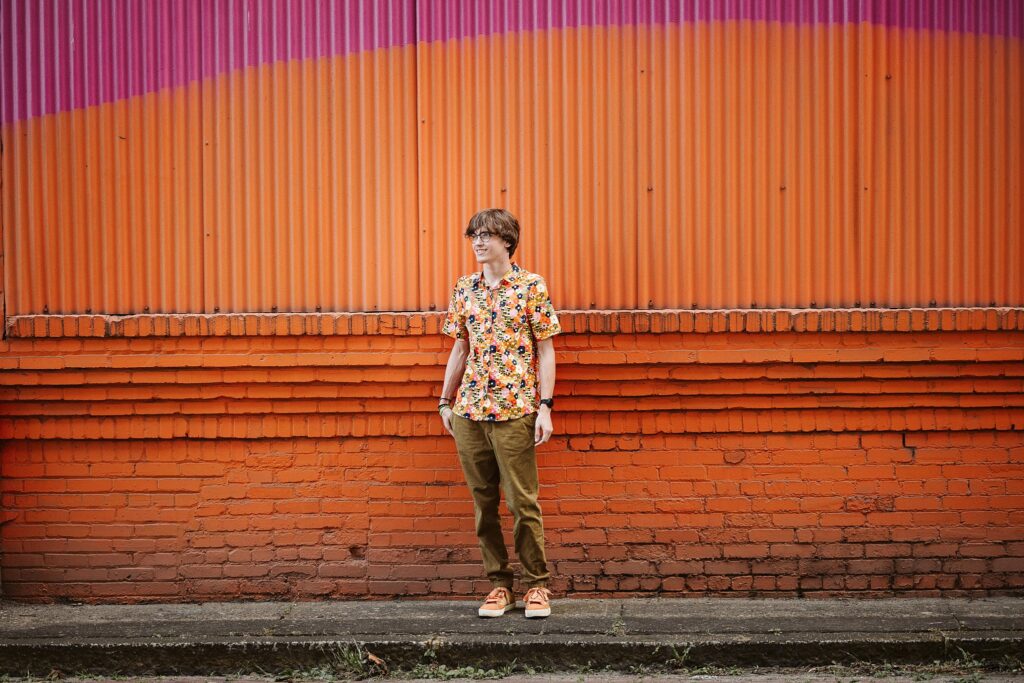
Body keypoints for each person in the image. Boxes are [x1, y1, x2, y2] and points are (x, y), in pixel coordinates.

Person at [438, 208, 561, 618]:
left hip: (516, 410)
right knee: (483, 503)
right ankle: (499, 586)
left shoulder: (531, 287)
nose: (477, 241)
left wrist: (545, 406)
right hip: (469, 411)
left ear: (507, 240)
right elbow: (459, 348)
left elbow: (546, 350)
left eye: (486, 234)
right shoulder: (464, 289)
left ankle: (537, 587)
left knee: (523, 503)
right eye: (474, 234)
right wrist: (444, 401)